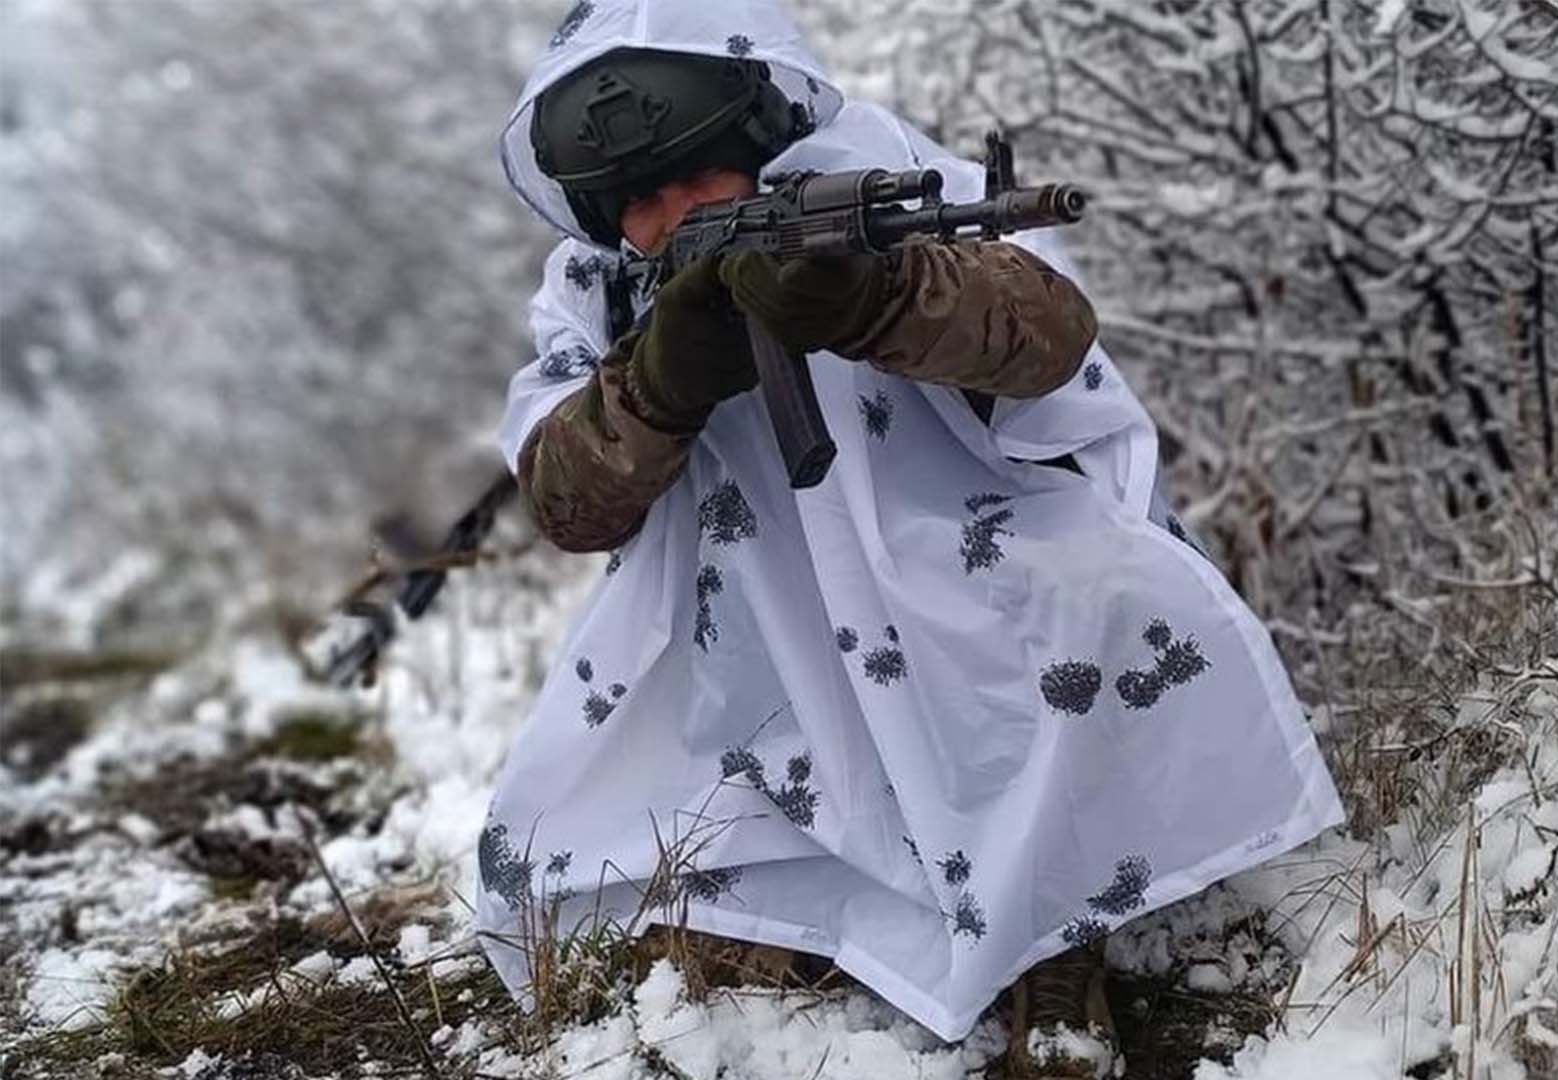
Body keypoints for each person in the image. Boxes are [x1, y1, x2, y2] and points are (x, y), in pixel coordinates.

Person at [479, 2, 1344, 1076]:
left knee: (1106, 611)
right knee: (672, 879)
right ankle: (804, 927)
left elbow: (1047, 332)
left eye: (694, 176)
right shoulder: (599, 292)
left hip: (971, 575)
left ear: (750, 143)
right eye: (638, 201)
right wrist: (661, 381)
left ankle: (1054, 947)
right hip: (751, 641)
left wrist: (877, 296)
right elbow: (566, 502)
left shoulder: (874, 179)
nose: (667, 216)